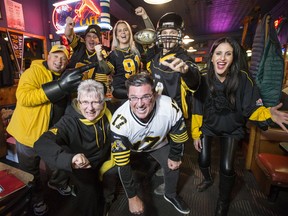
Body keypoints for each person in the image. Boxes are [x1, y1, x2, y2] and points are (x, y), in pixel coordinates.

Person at [191, 37, 288, 216]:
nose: (222, 58)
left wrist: (268, 113)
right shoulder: (203, 79)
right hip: (208, 127)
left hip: (232, 129)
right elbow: (197, 108)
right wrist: (196, 133)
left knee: (227, 167)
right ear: (211, 57)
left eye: (228, 54)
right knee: (202, 160)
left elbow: (251, 107)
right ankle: (207, 178)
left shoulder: (243, 79)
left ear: (234, 58)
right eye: (218, 53)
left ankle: (223, 200)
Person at [6, 45, 84, 215]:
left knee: (59, 162)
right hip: (29, 133)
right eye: (55, 56)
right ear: (48, 57)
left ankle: (57, 183)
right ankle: (37, 199)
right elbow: (24, 97)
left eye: (63, 58)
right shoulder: (33, 72)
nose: (59, 61)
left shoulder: (66, 75)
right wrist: (59, 87)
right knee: (30, 171)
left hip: (51, 133)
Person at [110, 73, 190, 215]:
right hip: (132, 148)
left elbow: (179, 135)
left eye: (146, 96)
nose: (139, 104)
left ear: (155, 94)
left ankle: (170, 194)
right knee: (124, 171)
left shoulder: (169, 106)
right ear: (128, 97)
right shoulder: (119, 121)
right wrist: (132, 197)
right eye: (134, 97)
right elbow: (122, 163)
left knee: (173, 165)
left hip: (158, 144)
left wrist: (175, 155)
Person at [34, 79, 114, 216]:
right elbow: (41, 143)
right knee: (89, 196)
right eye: (85, 102)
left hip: (106, 159)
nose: (90, 108)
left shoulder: (109, 112)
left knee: (110, 189)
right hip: (83, 166)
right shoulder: (69, 121)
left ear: (103, 102)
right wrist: (70, 159)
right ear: (78, 102)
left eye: (95, 102)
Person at [147, 12, 200, 119]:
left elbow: (195, 84)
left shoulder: (184, 60)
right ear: (160, 36)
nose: (168, 36)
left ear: (179, 35)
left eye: (172, 32)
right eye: (165, 32)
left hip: (176, 115)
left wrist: (186, 73)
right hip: (157, 112)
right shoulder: (156, 58)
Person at [106, 6, 154, 102]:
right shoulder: (113, 54)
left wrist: (145, 16)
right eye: (119, 30)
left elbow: (152, 35)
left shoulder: (137, 48)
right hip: (122, 94)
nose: (123, 32)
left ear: (129, 32)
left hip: (137, 90)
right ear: (116, 36)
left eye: (125, 29)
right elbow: (106, 72)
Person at [64, 17, 110, 87]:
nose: (91, 39)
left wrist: (99, 57)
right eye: (89, 36)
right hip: (71, 87)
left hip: (89, 91)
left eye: (95, 37)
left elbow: (106, 71)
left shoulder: (102, 53)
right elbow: (69, 35)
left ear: (99, 40)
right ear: (85, 39)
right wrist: (69, 26)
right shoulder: (80, 46)